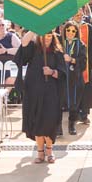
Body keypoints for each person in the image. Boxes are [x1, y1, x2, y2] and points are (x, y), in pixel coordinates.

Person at [16, 30, 64, 164]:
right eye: (44, 35)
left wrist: (52, 72)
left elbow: (63, 73)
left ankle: (49, 150)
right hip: (33, 92)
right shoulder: (33, 49)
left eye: (49, 35)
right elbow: (24, 42)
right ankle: (40, 152)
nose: (47, 38)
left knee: (49, 122)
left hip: (51, 93)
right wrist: (34, 27)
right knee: (36, 121)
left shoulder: (57, 52)